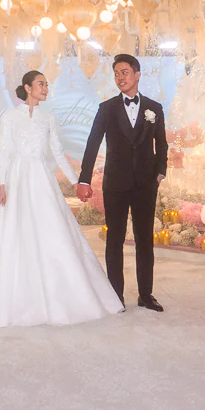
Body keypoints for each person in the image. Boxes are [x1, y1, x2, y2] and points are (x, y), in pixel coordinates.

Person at [0, 70, 124, 327]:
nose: (46, 88)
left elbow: (58, 153)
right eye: (41, 84)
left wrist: (77, 182)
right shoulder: (10, 116)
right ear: (28, 88)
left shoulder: (48, 118)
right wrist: (1, 185)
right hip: (14, 178)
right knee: (8, 231)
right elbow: (3, 151)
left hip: (40, 180)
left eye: (47, 84)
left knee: (51, 230)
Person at [76, 54, 168, 312]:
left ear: (137, 74)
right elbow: (93, 143)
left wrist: (160, 171)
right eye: (116, 73)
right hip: (115, 183)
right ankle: (115, 296)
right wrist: (84, 178)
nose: (120, 78)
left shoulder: (154, 108)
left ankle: (146, 295)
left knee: (145, 240)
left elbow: (161, 143)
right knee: (114, 240)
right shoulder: (107, 108)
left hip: (145, 184)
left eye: (125, 72)